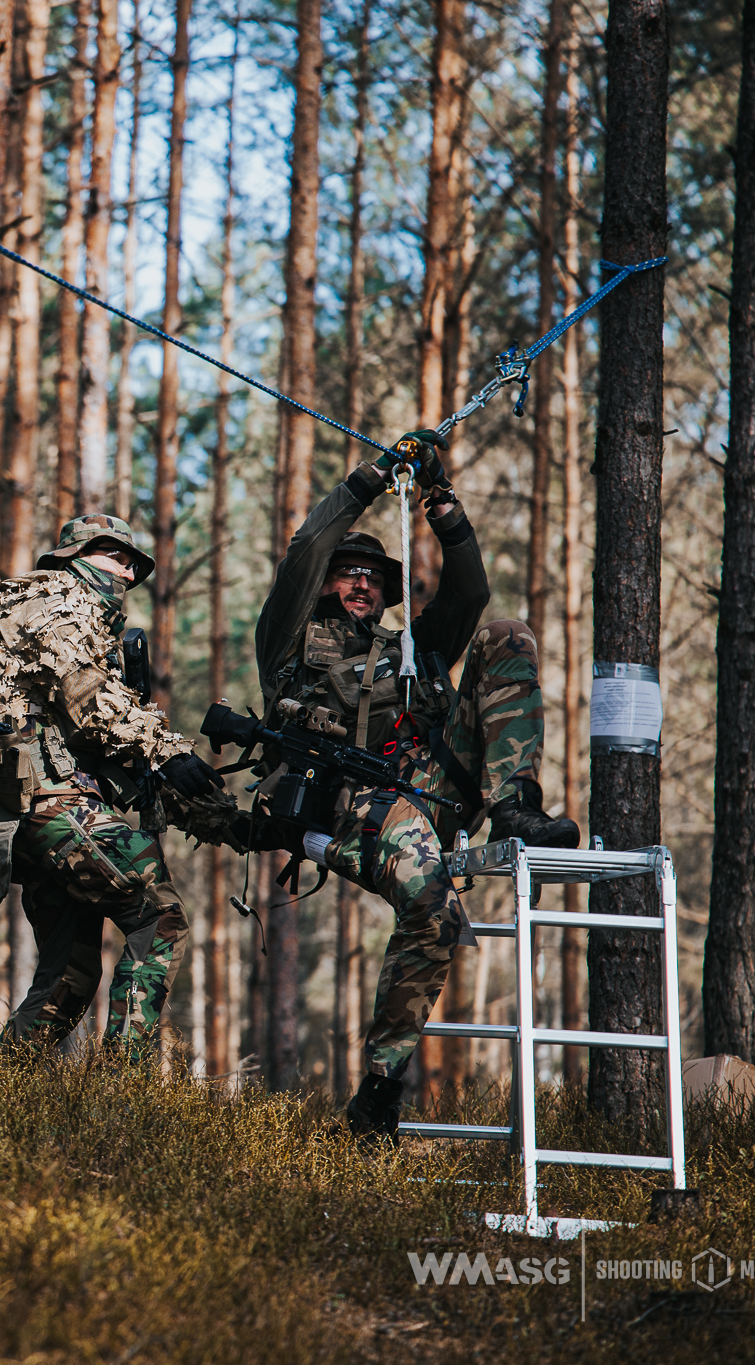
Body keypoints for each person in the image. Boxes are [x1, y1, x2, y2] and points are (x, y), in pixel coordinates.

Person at [251, 433, 578, 1141]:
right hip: (350, 800)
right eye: (349, 572)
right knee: (433, 905)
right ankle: (378, 1092)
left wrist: (441, 500)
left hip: (435, 793)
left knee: (506, 634)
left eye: (373, 575)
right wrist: (373, 476)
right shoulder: (289, 641)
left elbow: (471, 592)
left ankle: (516, 805)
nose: (362, 582)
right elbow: (306, 547)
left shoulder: (413, 649)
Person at [0, 514, 237, 1059]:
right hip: (48, 803)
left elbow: (106, 753)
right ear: (80, 554)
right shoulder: (56, 598)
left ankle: (1, 1110)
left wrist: (233, 820)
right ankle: (123, 1094)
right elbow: (85, 695)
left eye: (135, 566)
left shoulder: (58, 618)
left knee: (70, 975)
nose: (129, 573)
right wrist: (170, 750)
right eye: (119, 557)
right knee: (158, 916)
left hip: (24, 817)